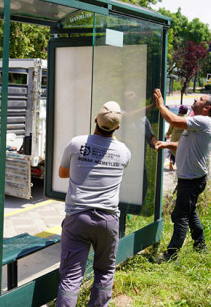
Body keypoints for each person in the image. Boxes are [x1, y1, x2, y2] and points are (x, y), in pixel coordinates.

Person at [55, 101, 131, 307]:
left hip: (77, 218)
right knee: (105, 271)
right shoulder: (124, 151)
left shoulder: (76, 143)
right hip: (108, 220)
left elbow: (62, 173)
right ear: (117, 127)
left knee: (71, 276)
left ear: (96, 120)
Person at [152, 89, 211, 261]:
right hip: (190, 179)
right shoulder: (198, 124)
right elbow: (184, 145)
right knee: (190, 211)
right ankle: (200, 245)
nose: (195, 100)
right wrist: (166, 145)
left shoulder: (203, 121)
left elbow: (173, 120)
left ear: (207, 108)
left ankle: (171, 254)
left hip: (191, 180)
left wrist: (161, 105)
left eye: (200, 99)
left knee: (180, 216)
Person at [165, 105, 189, 170]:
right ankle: (180, 166)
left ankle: (172, 161)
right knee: (182, 152)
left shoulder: (175, 117)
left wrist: (167, 134)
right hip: (183, 137)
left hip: (174, 136)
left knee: (173, 151)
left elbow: (171, 128)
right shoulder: (187, 119)